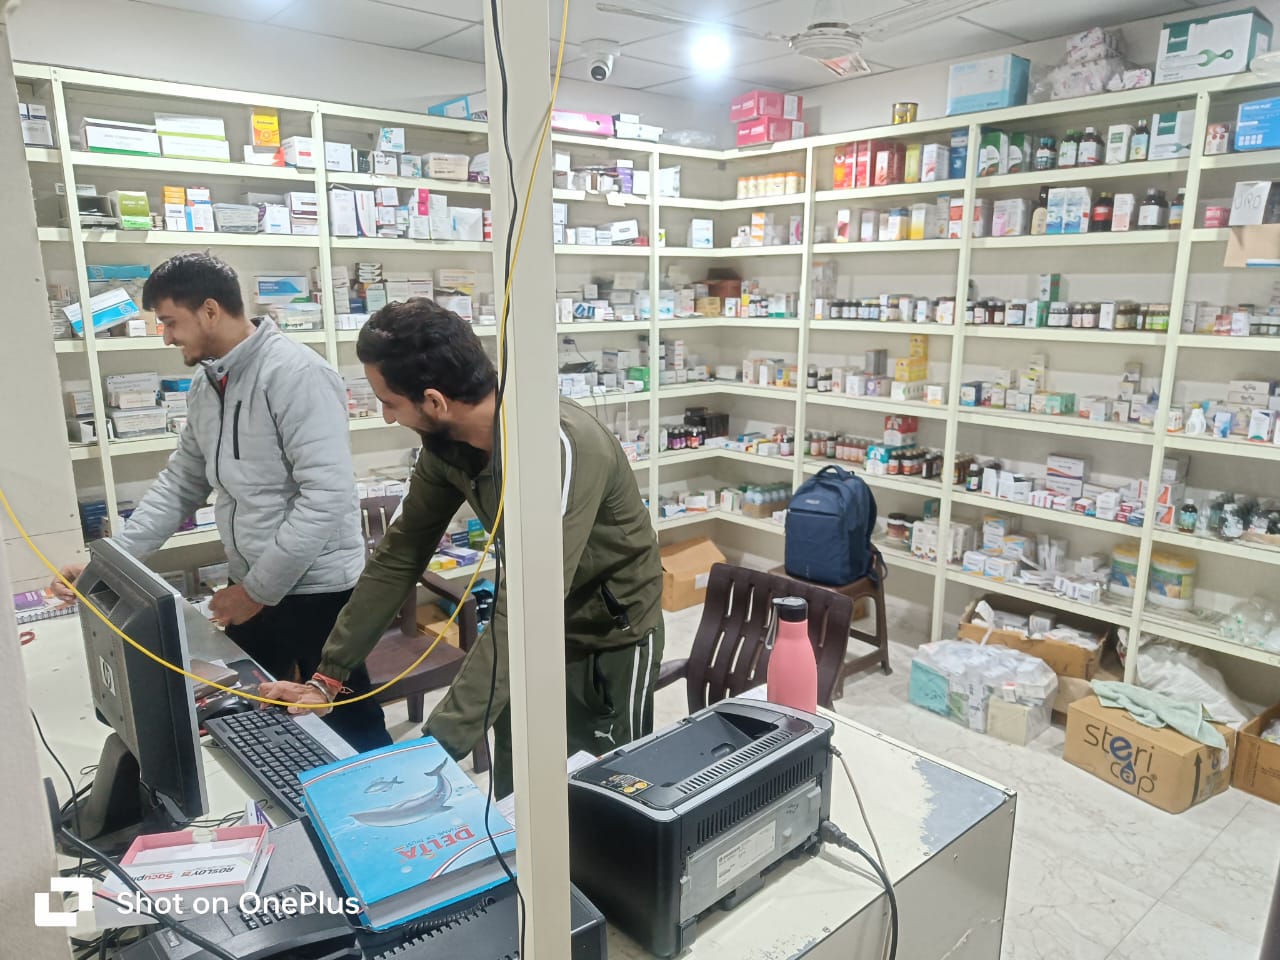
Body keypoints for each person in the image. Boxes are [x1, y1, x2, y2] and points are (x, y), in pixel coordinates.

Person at [260, 298, 664, 795]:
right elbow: (400, 554)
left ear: (434, 402)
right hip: (527, 637)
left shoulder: (556, 447)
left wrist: (433, 752)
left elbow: (529, 610)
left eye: (389, 403)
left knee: (603, 791)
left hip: (608, 636)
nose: (386, 417)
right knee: (521, 786)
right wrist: (329, 676)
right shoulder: (447, 448)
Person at [52, 252, 391, 752]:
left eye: (171, 322)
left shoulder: (296, 374)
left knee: (350, 720)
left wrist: (255, 591)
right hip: (252, 583)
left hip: (317, 591)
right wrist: (107, 565)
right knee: (247, 710)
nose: (166, 337)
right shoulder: (207, 385)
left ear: (210, 310)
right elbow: (180, 484)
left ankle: (398, 797)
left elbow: (326, 497)